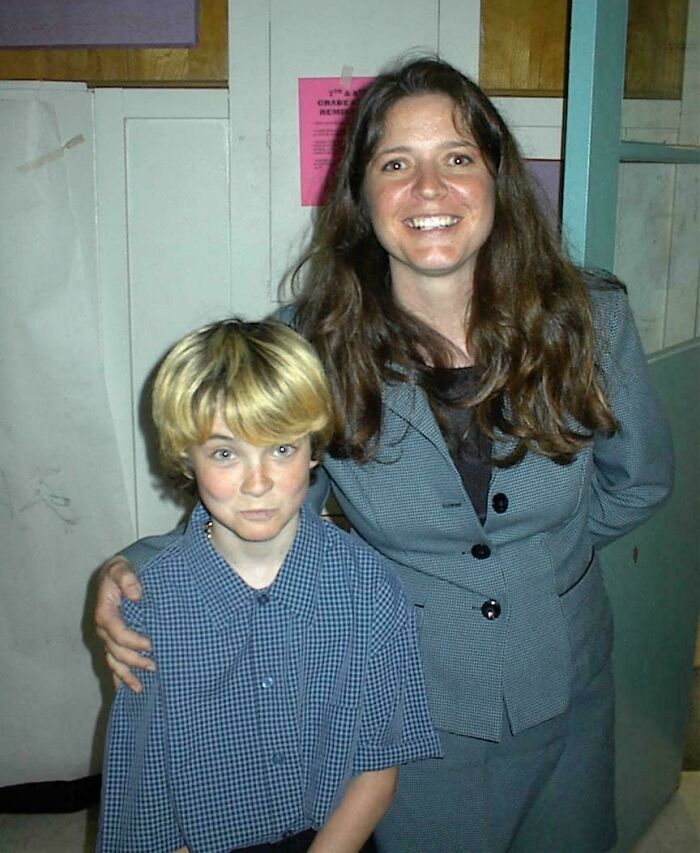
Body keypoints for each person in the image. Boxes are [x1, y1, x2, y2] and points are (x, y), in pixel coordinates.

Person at [95, 58, 674, 852]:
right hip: (405, 699)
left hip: (567, 677)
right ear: (362, 196)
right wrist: (137, 564)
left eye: (458, 158)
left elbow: (638, 483)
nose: (429, 189)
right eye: (396, 164)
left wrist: (532, 564)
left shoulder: (593, 319)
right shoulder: (310, 340)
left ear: (497, 181)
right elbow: (252, 488)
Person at [97, 318, 441, 853]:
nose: (257, 483)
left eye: (281, 449)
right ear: (186, 456)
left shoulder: (369, 588)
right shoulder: (150, 607)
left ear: (314, 449)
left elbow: (378, 766)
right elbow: (145, 795)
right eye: (225, 453)